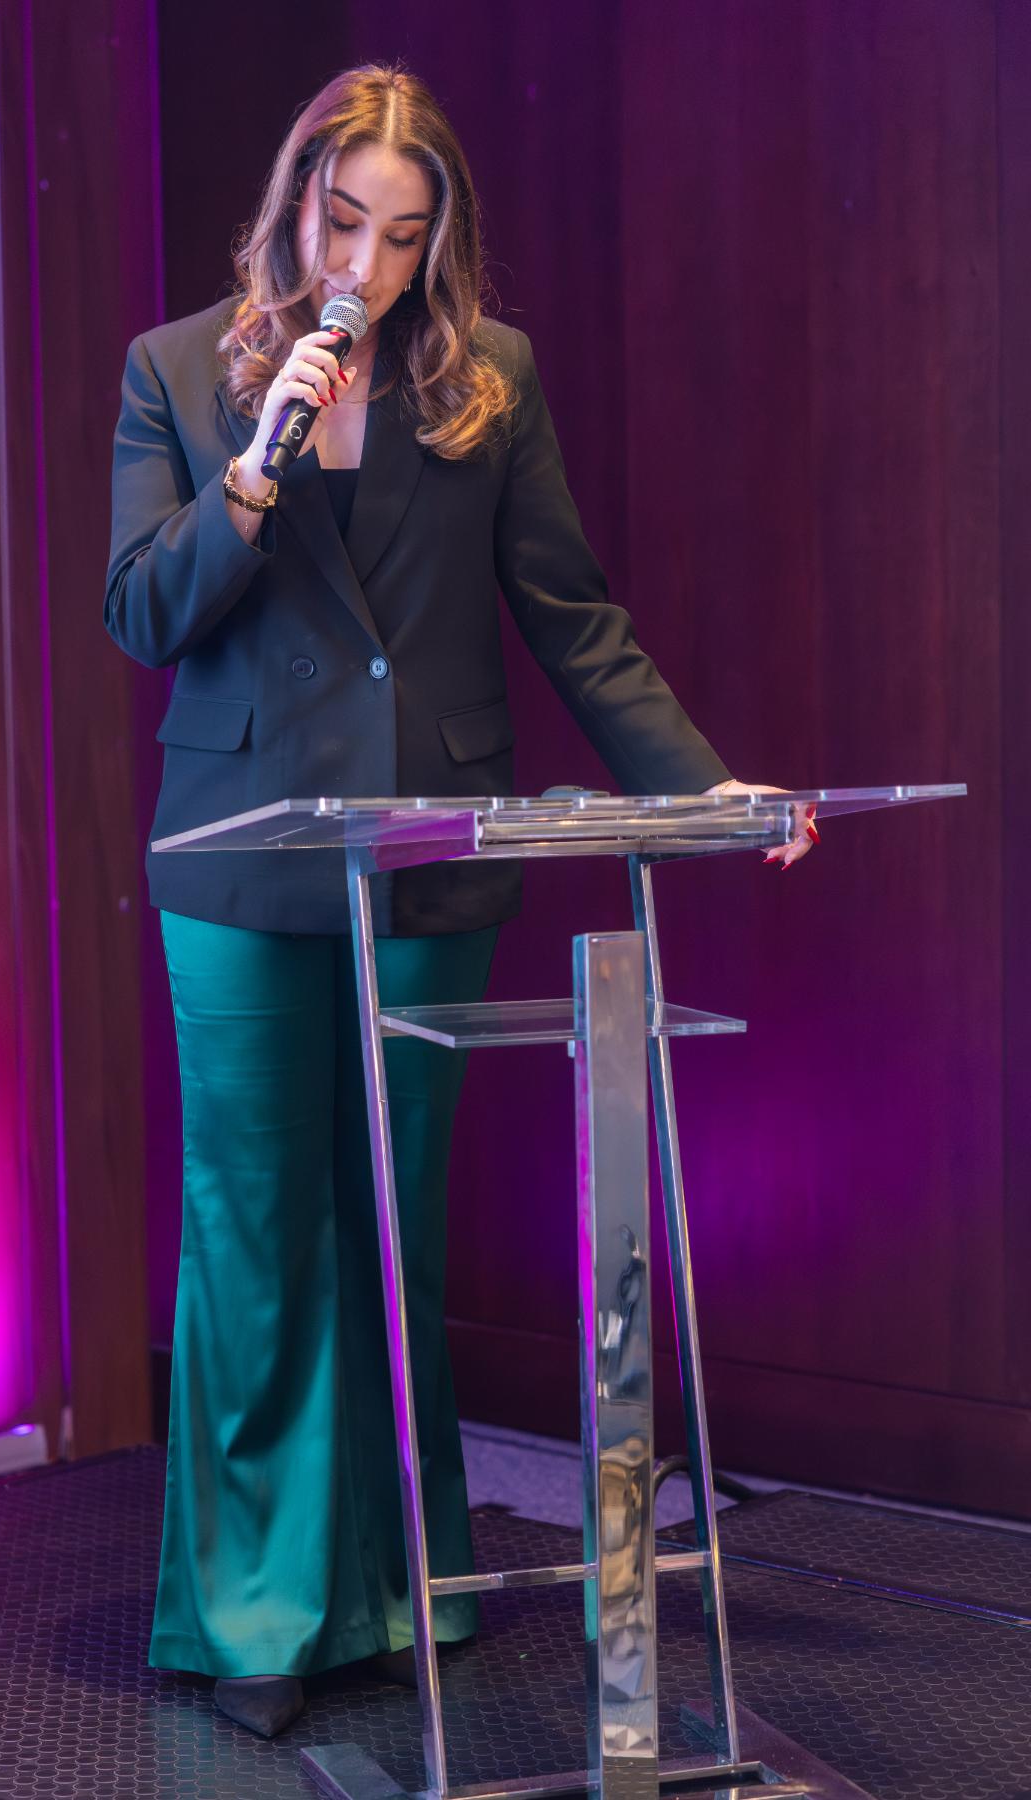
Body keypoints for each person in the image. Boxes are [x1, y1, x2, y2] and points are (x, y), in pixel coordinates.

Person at [104, 62, 816, 1741]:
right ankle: (256, 1617)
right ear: (296, 204)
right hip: (238, 862)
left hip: (428, 861)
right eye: (344, 220)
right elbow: (143, 613)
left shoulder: (488, 375)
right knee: (258, 1233)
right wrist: (257, 464)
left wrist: (706, 789)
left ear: (443, 240)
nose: (367, 263)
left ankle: (390, 1587)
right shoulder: (179, 370)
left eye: (405, 234)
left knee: (388, 1228)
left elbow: (573, 615)